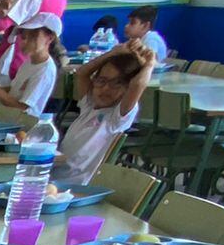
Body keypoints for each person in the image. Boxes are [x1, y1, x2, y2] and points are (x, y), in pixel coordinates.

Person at [54, 42, 155, 185]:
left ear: (127, 87)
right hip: (56, 176)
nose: (106, 89)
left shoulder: (116, 118)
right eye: (101, 81)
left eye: (116, 83)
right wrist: (112, 53)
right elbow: (83, 73)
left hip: (77, 185)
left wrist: (149, 65)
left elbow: (138, 85)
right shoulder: (89, 106)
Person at [0, 13, 61, 117]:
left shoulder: (45, 70)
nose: (25, 42)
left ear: (50, 38)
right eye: (24, 37)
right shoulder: (28, 63)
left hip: (24, 126)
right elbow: (14, 90)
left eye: (33, 37)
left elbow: (23, 108)